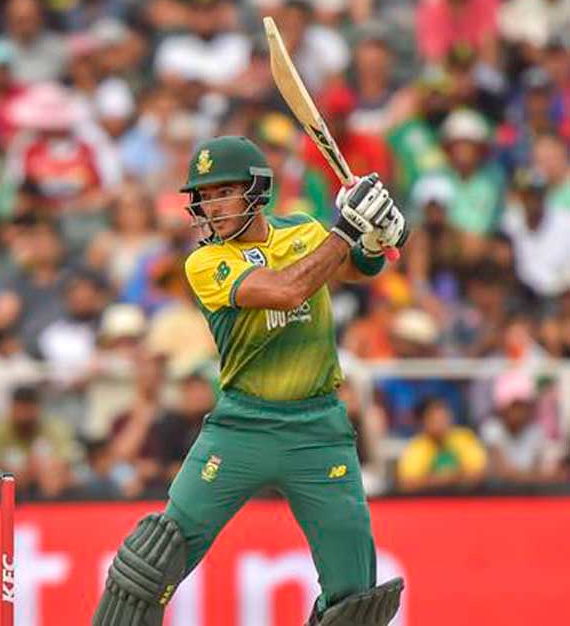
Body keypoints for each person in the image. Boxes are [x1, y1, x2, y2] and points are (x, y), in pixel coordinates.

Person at [93, 135, 408, 626]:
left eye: (224, 192)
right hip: (242, 427)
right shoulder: (204, 262)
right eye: (204, 196)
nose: (212, 207)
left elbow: (354, 268)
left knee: (355, 599)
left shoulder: (303, 230)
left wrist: (375, 238)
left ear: (257, 190)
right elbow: (287, 290)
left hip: (318, 430)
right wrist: (348, 228)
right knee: (149, 564)